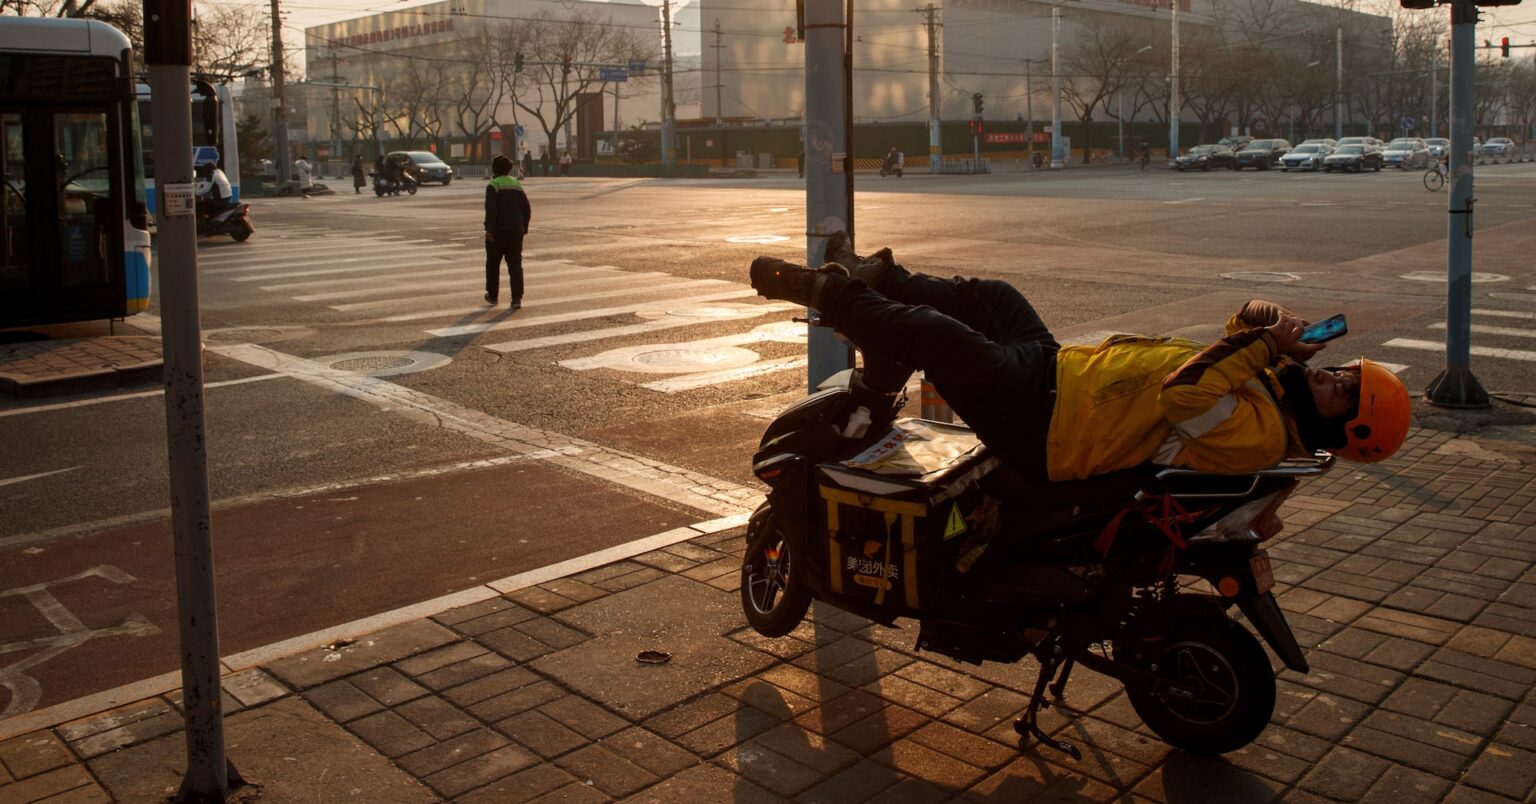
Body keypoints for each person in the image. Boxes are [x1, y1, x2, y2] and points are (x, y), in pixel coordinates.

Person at [748, 236, 1411, 483]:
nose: (1332, 378)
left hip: (1045, 429)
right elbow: (1240, 324)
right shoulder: (1273, 384)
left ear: (1340, 430)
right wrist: (1275, 325)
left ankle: (827, 289)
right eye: (1345, 372)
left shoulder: (1262, 434)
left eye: (1342, 393)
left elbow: (1185, 393)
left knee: (937, 334)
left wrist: (1264, 347)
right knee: (995, 298)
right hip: (1059, 374)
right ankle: (883, 282)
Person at [484, 154, 532, 309]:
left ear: (493, 169)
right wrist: (524, 226)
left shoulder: (493, 185)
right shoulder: (517, 184)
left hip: (498, 232)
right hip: (515, 231)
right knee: (515, 265)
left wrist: (489, 230)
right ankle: (516, 298)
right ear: (510, 169)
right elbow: (527, 208)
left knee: (493, 264)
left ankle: (493, 295)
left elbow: (491, 209)